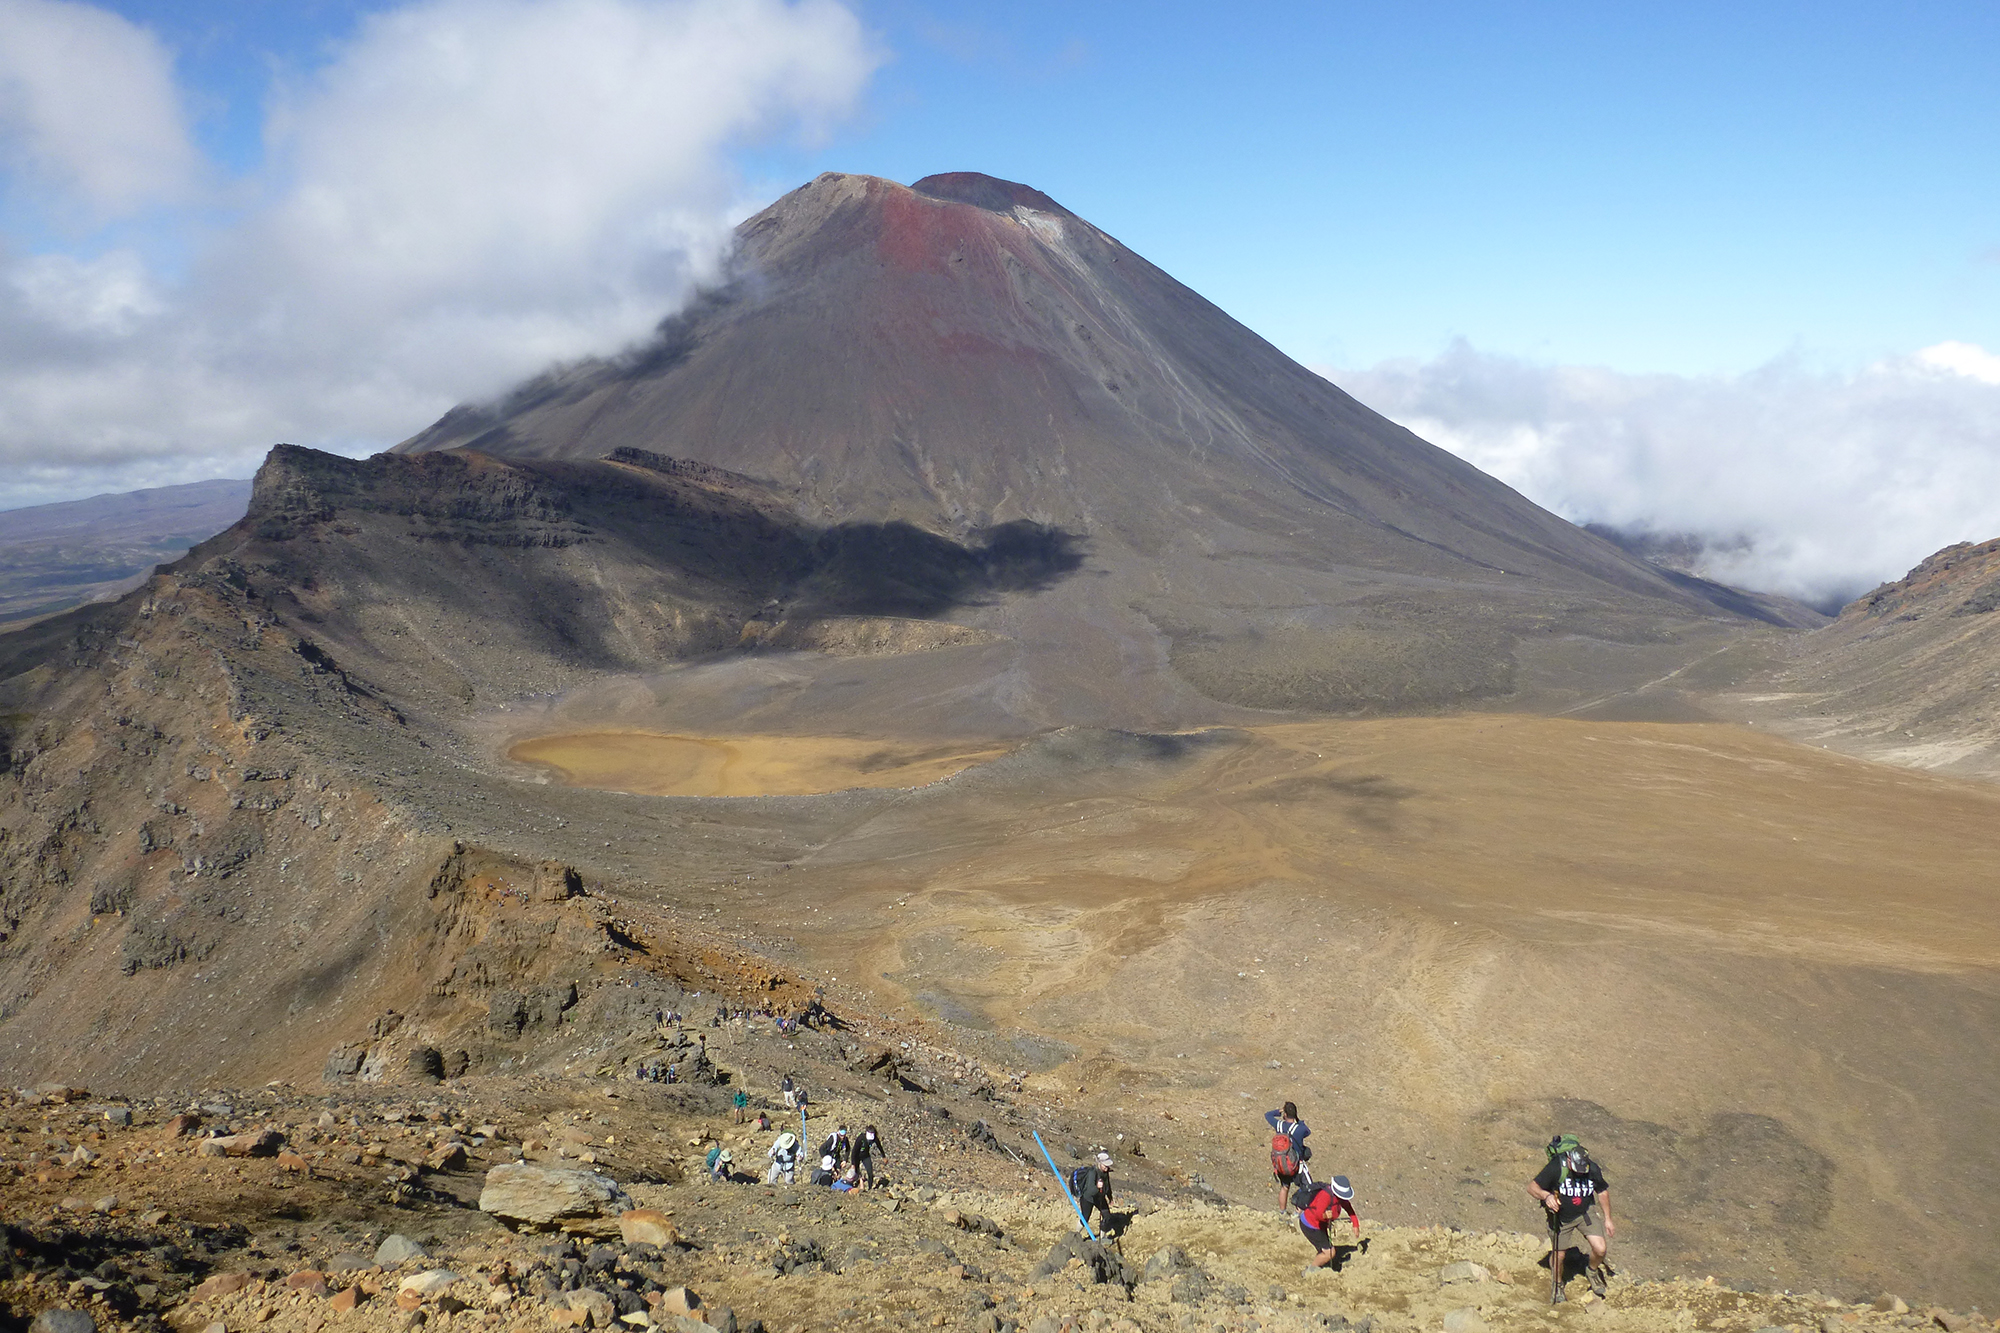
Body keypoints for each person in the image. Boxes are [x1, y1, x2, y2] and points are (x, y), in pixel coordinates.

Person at [1529, 1139, 1615, 1303]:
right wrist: (1546, 1196)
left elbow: (1602, 1191)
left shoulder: (1592, 1169)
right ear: (1569, 1160)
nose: (1580, 1173)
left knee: (1601, 1249)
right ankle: (1557, 1284)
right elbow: (1532, 1187)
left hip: (1585, 1213)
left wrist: (1608, 1219)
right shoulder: (1556, 1167)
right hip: (1560, 1217)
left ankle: (1591, 1270)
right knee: (1559, 1254)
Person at [1296, 1176, 1361, 1270]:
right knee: (1329, 1252)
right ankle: (1311, 1270)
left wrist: (1355, 1224)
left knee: (1325, 1249)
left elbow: (1348, 1207)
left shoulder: (1339, 1198)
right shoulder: (1325, 1196)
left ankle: (1322, 1264)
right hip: (1310, 1225)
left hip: (1320, 1226)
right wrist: (1325, 1216)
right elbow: (1318, 1214)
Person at [1265, 1101, 1314, 1211]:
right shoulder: (1300, 1129)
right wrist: (1299, 1120)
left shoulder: (1279, 1125)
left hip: (1283, 1163)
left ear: (1285, 1114)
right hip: (1297, 1164)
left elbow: (1267, 1115)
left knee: (1285, 1187)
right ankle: (1298, 1212)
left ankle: (1282, 1212)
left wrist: (1278, 1111)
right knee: (1307, 1187)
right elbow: (1308, 1131)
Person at [1070, 1152, 1117, 1238]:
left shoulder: (1105, 1172)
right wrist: (1098, 1187)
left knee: (1107, 1216)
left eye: (1107, 1166)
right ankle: (1076, 1235)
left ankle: (1102, 1238)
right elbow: (1090, 1191)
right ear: (1100, 1164)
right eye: (1105, 1165)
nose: (1107, 1168)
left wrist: (1110, 1197)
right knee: (1085, 1218)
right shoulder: (1092, 1173)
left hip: (1099, 1197)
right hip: (1088, 1199)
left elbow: (1107, 1184)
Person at [853, 1123, 886, 1189]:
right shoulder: (861, 1138)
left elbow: (879, 1146)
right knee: (856, 1172)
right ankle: (855, 1185)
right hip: (857, 1156)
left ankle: (870, 1188)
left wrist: (883, 1156)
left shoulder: (874, 1138)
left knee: (870, 1172)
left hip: (865, 1156)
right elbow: (854, 1151)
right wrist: (853, 1163)